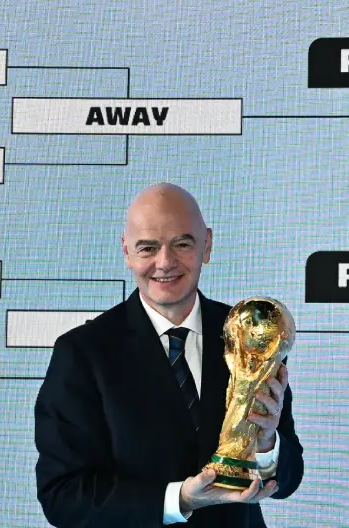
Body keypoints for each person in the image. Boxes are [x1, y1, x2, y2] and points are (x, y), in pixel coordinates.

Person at [36, 183, 303, 526]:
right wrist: (179, 500)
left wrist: (267, 446)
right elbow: (63, 496)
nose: (165, 262)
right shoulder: (83, 354)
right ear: (127, 251)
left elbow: (288, 480)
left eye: (182, 244)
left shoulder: (251, 335)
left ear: (207, 244)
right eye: (148, 247)